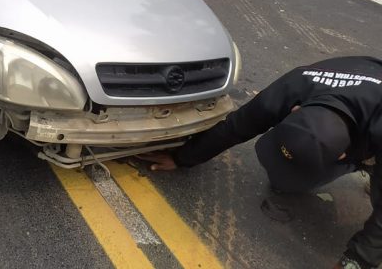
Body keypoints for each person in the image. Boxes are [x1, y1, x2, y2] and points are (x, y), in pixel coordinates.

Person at [139, 56, 382, 269]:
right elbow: (236, 126)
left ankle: (368, 166)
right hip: (358, 86)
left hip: (369, 122)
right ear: (295, 110)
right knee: (285, 184)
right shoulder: (291, 88)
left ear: (342, 156)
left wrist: (355, 262)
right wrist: (181, 158)